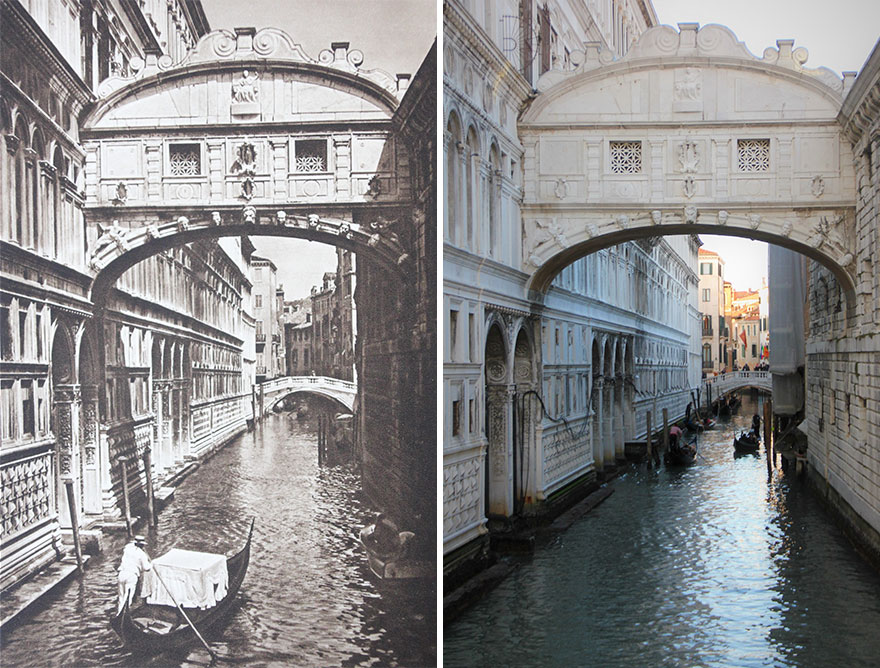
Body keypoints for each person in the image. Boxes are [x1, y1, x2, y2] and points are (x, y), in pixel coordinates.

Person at [117, 534, 152, 614]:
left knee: (121, 597)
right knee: (128, 598)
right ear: (142, 545)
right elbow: (147, 568)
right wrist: (151, 564)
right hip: (131, 576)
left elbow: (129, 545)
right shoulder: (142, 554)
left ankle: (119, 613)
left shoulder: (127, 549)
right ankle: (124, 614)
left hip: (122, 573)